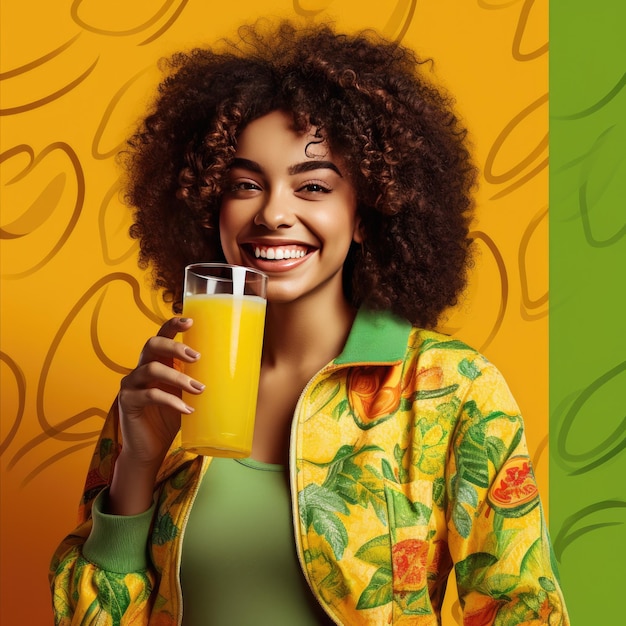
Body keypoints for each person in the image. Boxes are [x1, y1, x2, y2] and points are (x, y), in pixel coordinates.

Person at [49, 20, 569, 626]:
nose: (273, 212)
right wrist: (136, 465)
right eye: (245, 184)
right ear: (208, 206)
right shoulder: (169, 378)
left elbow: (523, 608)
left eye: (313, 186)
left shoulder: (451, 390)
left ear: (369, 210)